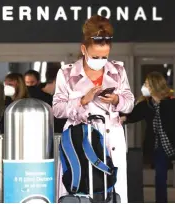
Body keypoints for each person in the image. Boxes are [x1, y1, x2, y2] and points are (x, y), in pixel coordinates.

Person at [53, 15, 134, 203]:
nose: (100, 60)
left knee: (112, 191)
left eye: (104, 56)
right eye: (95, 56)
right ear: (84, 49)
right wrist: (82, 100)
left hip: (111, 138)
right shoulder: (67, 73)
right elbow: (57, 109)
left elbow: (129, 103)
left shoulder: (118, 71)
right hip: (80, 139)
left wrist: (116, 100)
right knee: (79, 186)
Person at [120, 72, 175, 203]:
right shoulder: (146, 105)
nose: (144, 87)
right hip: (158, 147)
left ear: (154, 86)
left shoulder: (171, 103)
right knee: (160, 177)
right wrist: (122, 118)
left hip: (172, 143)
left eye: (146, 84)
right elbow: (132, 116)